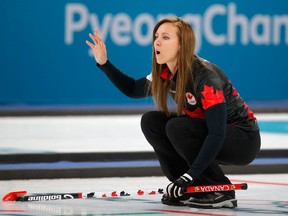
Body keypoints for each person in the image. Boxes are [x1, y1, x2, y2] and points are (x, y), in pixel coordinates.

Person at [86, 17, 261, 209]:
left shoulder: (204, 76)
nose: (157, 42)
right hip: (212, 133)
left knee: (178, 127)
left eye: (166, 37)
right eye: (156, 36)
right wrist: (104, 63)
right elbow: (133, 89)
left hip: (243, 139)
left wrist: (190, 173)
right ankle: (190, 188)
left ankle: (219, 189)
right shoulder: (166, 71)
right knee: (151, 122)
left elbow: (217, 132)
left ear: (181, 45)